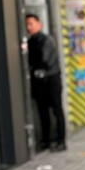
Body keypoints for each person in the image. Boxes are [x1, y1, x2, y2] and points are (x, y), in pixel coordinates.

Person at [25, 14, 66, 152]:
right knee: (42, 112)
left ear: (39, 24)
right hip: (39, 82)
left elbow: (44, 59)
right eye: (27, 24)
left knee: (56, 110)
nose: (29, 27)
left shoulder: (46, 40)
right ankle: (46, 140)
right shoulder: (30, 42)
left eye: (31, 24)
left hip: (51, 79)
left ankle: (61, 140)